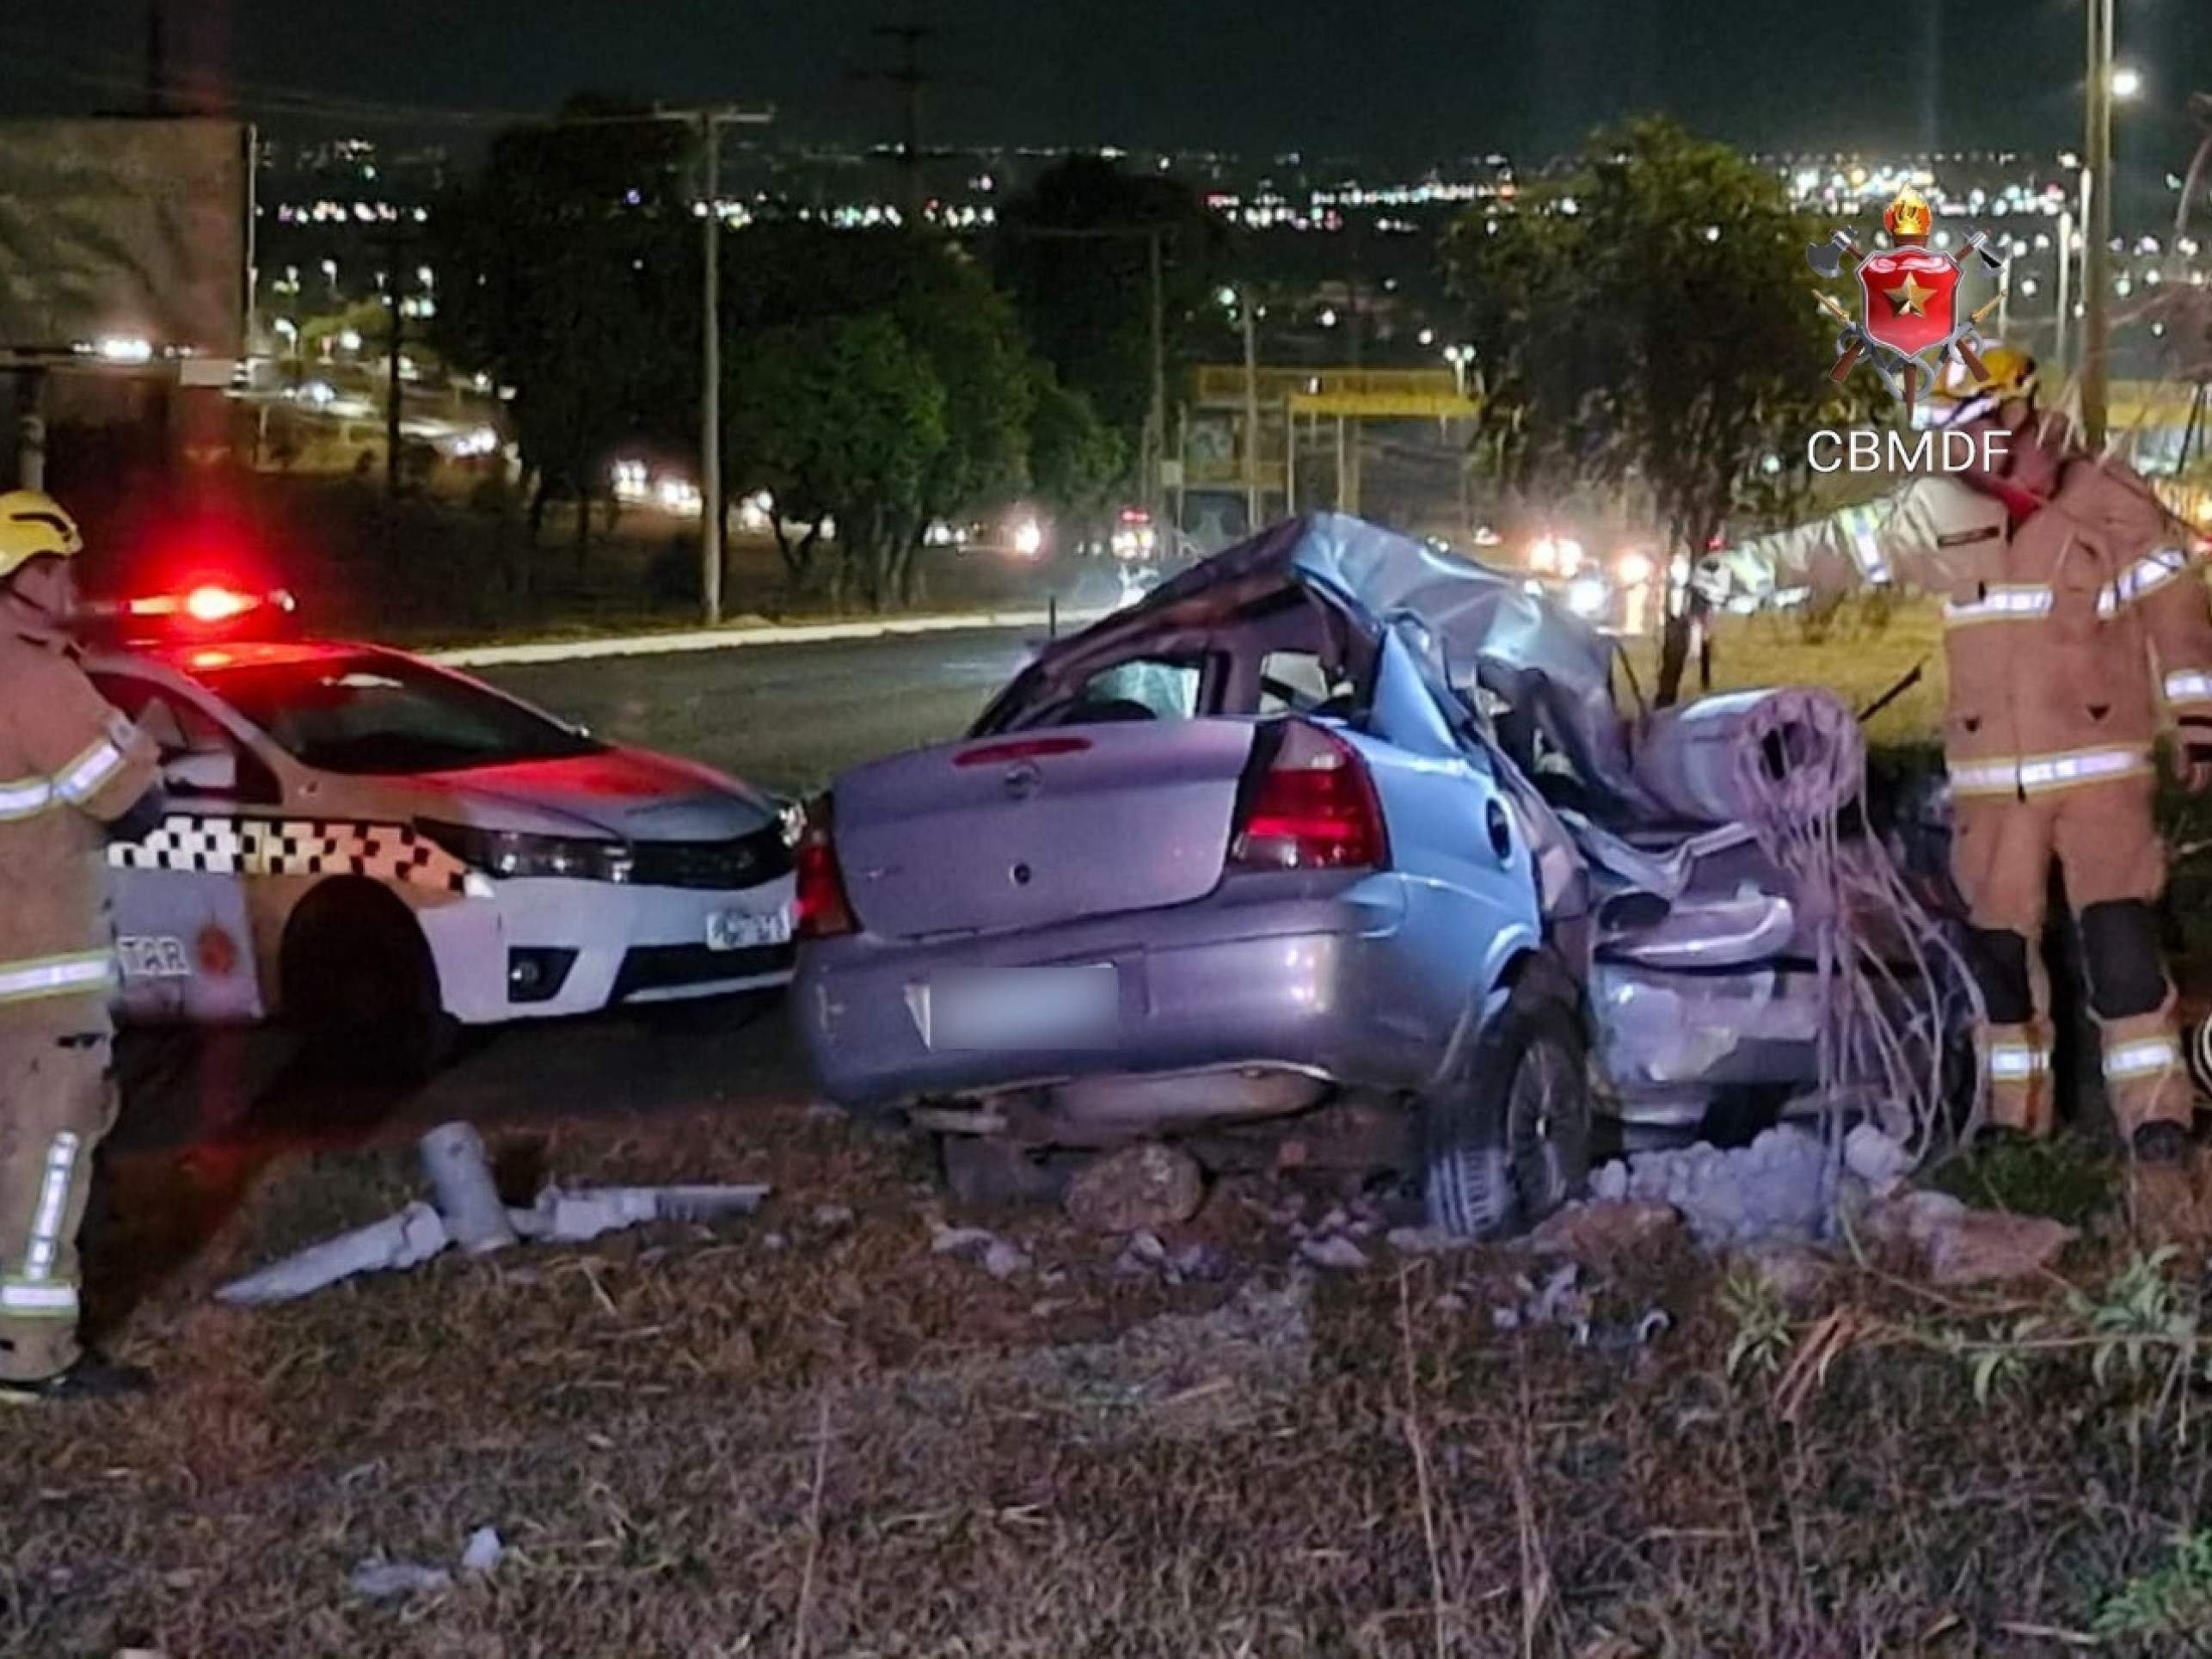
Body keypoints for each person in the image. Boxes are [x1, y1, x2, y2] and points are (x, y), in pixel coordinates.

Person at [1733, 350, 2212, 1183]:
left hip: (2100, 777)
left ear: (2014, 419)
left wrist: (2198, 717)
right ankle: (2012, 1127)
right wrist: (1740, 571)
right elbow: (1848, 546)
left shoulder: (2109, 499)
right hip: (1991, 787)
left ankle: (2156, 1127)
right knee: (1995, 962)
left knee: (2123, 953)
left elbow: (2175, 612)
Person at [0, 489, 163, 1403]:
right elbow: (131, 801)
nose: (69, 588)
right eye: (48, 571)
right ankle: (32, 1358)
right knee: (49, 1157)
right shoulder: (36, 677)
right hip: (42, 977)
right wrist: (137, 741)